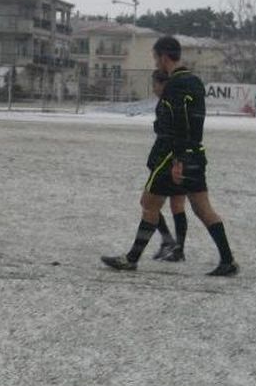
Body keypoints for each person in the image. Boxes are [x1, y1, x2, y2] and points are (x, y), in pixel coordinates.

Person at [102, 36, 238, 276]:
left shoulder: (175, 84)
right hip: (196, 152)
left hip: (173, 155)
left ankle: (132, 258)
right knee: (203, 209)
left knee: (149, 203)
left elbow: (179, 122)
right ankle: (228, 261)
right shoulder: (195, 81)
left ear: (164, 56)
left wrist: (178, 160)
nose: (156, 63)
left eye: (156, 58)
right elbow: (192, 122)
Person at [149, 69, 189, 262]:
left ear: (162, 84)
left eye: (154, 84)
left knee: (149, 203)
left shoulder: (167, 102)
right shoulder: (174, 101)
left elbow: (170, 131)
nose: (153, 88)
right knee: (177, 205)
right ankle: (177, 248)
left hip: (167, 158)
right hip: (178, 157)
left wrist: (174, 159)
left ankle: (169, 242)